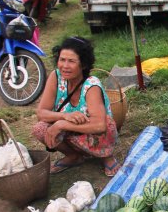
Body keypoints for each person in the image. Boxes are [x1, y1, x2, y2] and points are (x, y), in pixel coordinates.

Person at [32, 36, 121, 176]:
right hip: (72, 134)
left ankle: (106, 156)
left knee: (107, 123)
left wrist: (62, 124)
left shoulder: (91, 85)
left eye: (71, 61)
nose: (65, 66)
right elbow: (41, 113)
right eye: (62, 60)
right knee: (40, 128)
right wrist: (64, 116)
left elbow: (100, 126)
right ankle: (74, 156)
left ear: (83, 65)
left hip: (92, 134)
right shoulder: (56, 77)